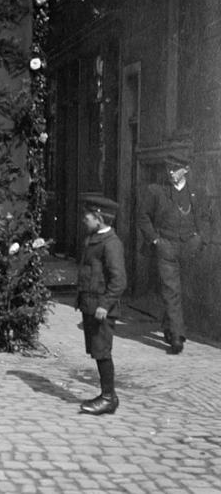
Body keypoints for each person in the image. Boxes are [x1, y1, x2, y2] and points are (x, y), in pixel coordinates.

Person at [137, 153, 210, 354]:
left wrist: (200, 238)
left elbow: (205, 217)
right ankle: (177, 337)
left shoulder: (197, 193)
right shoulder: (156, 191)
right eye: (168, 168)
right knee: (171, 290)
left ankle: (170, 327)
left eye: (175, 169)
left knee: (183, 290)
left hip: (189, 248)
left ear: (186, 170)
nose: (170, 172)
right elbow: (143, 217)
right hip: (166, 246)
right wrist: (155, 240)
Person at [77, 194, 127, 415]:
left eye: (87, 215)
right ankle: (107, 395)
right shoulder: (94, 238)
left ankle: (108, 397)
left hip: (101, 309)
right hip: (91, 305)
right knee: (97, 351)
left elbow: (119, 280)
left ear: (98, 217)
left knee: (102, 351)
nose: (83, 219)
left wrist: (105, 305)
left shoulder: (111, 244)